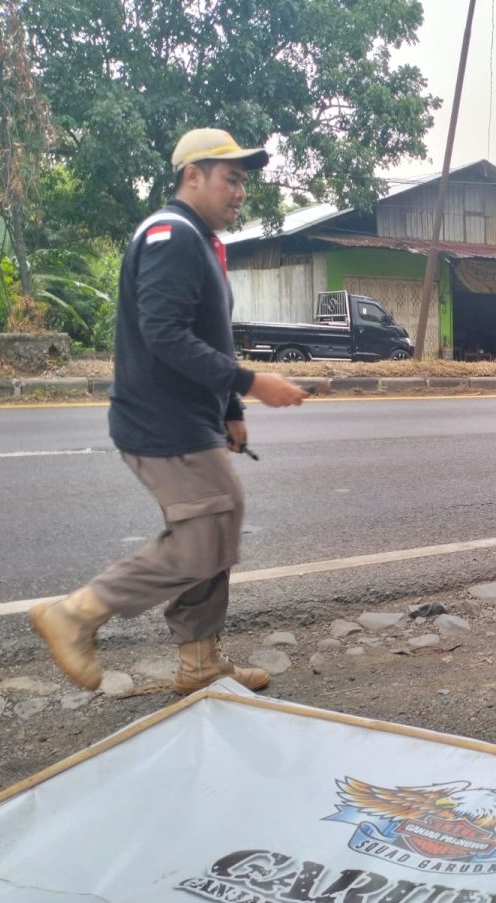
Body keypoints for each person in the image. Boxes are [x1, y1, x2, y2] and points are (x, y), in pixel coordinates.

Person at [29, 128, 308, 695]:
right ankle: (78, 613)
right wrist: (253, 382)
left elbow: (212, 336)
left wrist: (230, 406)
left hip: (189, 419)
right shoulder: (170, 235)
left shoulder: (199, 241)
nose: (239, 193)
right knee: (209, 529)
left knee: (214, 522)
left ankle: (200, 662)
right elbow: (164, 334)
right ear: (192, 176)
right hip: (160, 421)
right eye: (230, 179)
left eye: (243, 183)